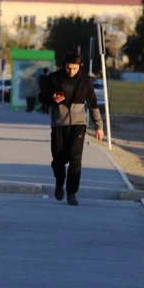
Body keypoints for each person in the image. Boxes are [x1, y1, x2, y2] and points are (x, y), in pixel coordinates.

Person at [38, 53, 104, 206]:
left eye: (74, 68)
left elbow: (93, 104)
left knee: (75, 158)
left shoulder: (85, 81)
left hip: (78, 125)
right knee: (58, 159)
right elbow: (42, 97)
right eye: (68, 68)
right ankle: (59, 182)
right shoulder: (53, 78)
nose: (71, 71)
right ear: (64, 66)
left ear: (80, 66)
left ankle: (71, 192)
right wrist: (52, 99)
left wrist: (99, 126)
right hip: (59, 124)